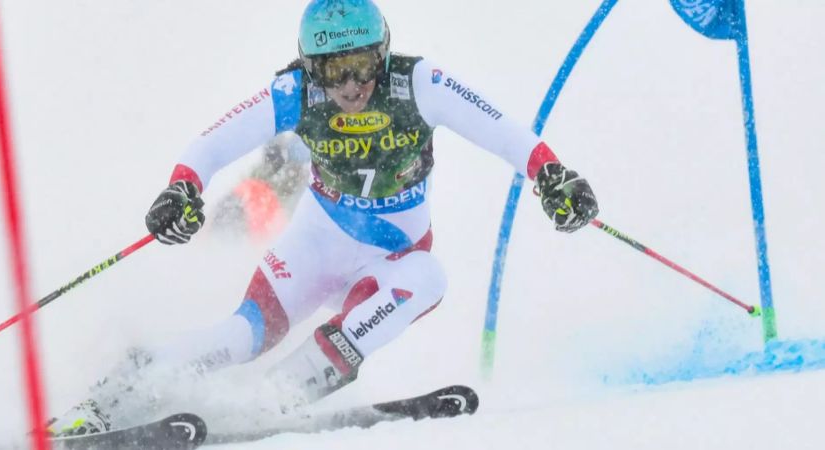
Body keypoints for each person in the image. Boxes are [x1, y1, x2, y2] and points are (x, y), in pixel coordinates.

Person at [47, 0, 598, 437]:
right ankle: (114, 394)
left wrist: (551, 175)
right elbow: (212, 144)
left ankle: (281, 393)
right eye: (335, 71)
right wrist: (182, 188)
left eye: (362, 66)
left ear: (383, 54)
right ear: (313, 67)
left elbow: (499, 129)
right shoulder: (296, 93)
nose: (352, 86)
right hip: (316, 246)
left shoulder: (418, 84)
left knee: (430, 278)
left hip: (392, 259)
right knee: (242, 337)